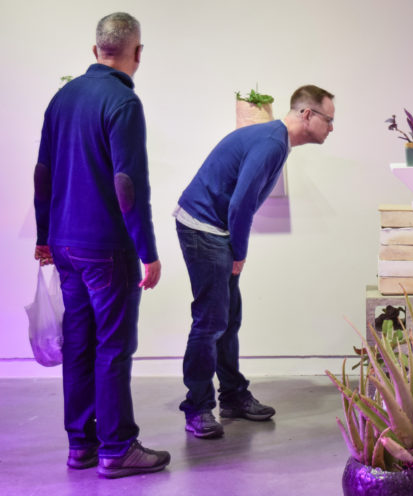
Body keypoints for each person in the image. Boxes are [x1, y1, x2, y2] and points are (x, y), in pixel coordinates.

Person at [33, 12, 170, 479]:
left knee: (79, 342)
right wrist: (147, 250)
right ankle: (117, 448)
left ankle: (81, 446)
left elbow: (42, 174)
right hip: (106, 247)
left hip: (65, 243)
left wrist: (42, 236)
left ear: (96, 52)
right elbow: (128, 184)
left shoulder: (62, 98)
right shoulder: (123, 102)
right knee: (113, 345)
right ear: (137, 53)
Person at [174, 85, 335, 438]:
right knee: (210, 322)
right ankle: (197, 408)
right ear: (307, 114)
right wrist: (240, 252)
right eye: (329, 119)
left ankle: (232, 395)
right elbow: (240, 204)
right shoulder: (271, 143)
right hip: (202, 227)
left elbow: (240, 201)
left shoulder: (277, 141)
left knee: (229, 317)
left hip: (216, 229)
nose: (332, 127)